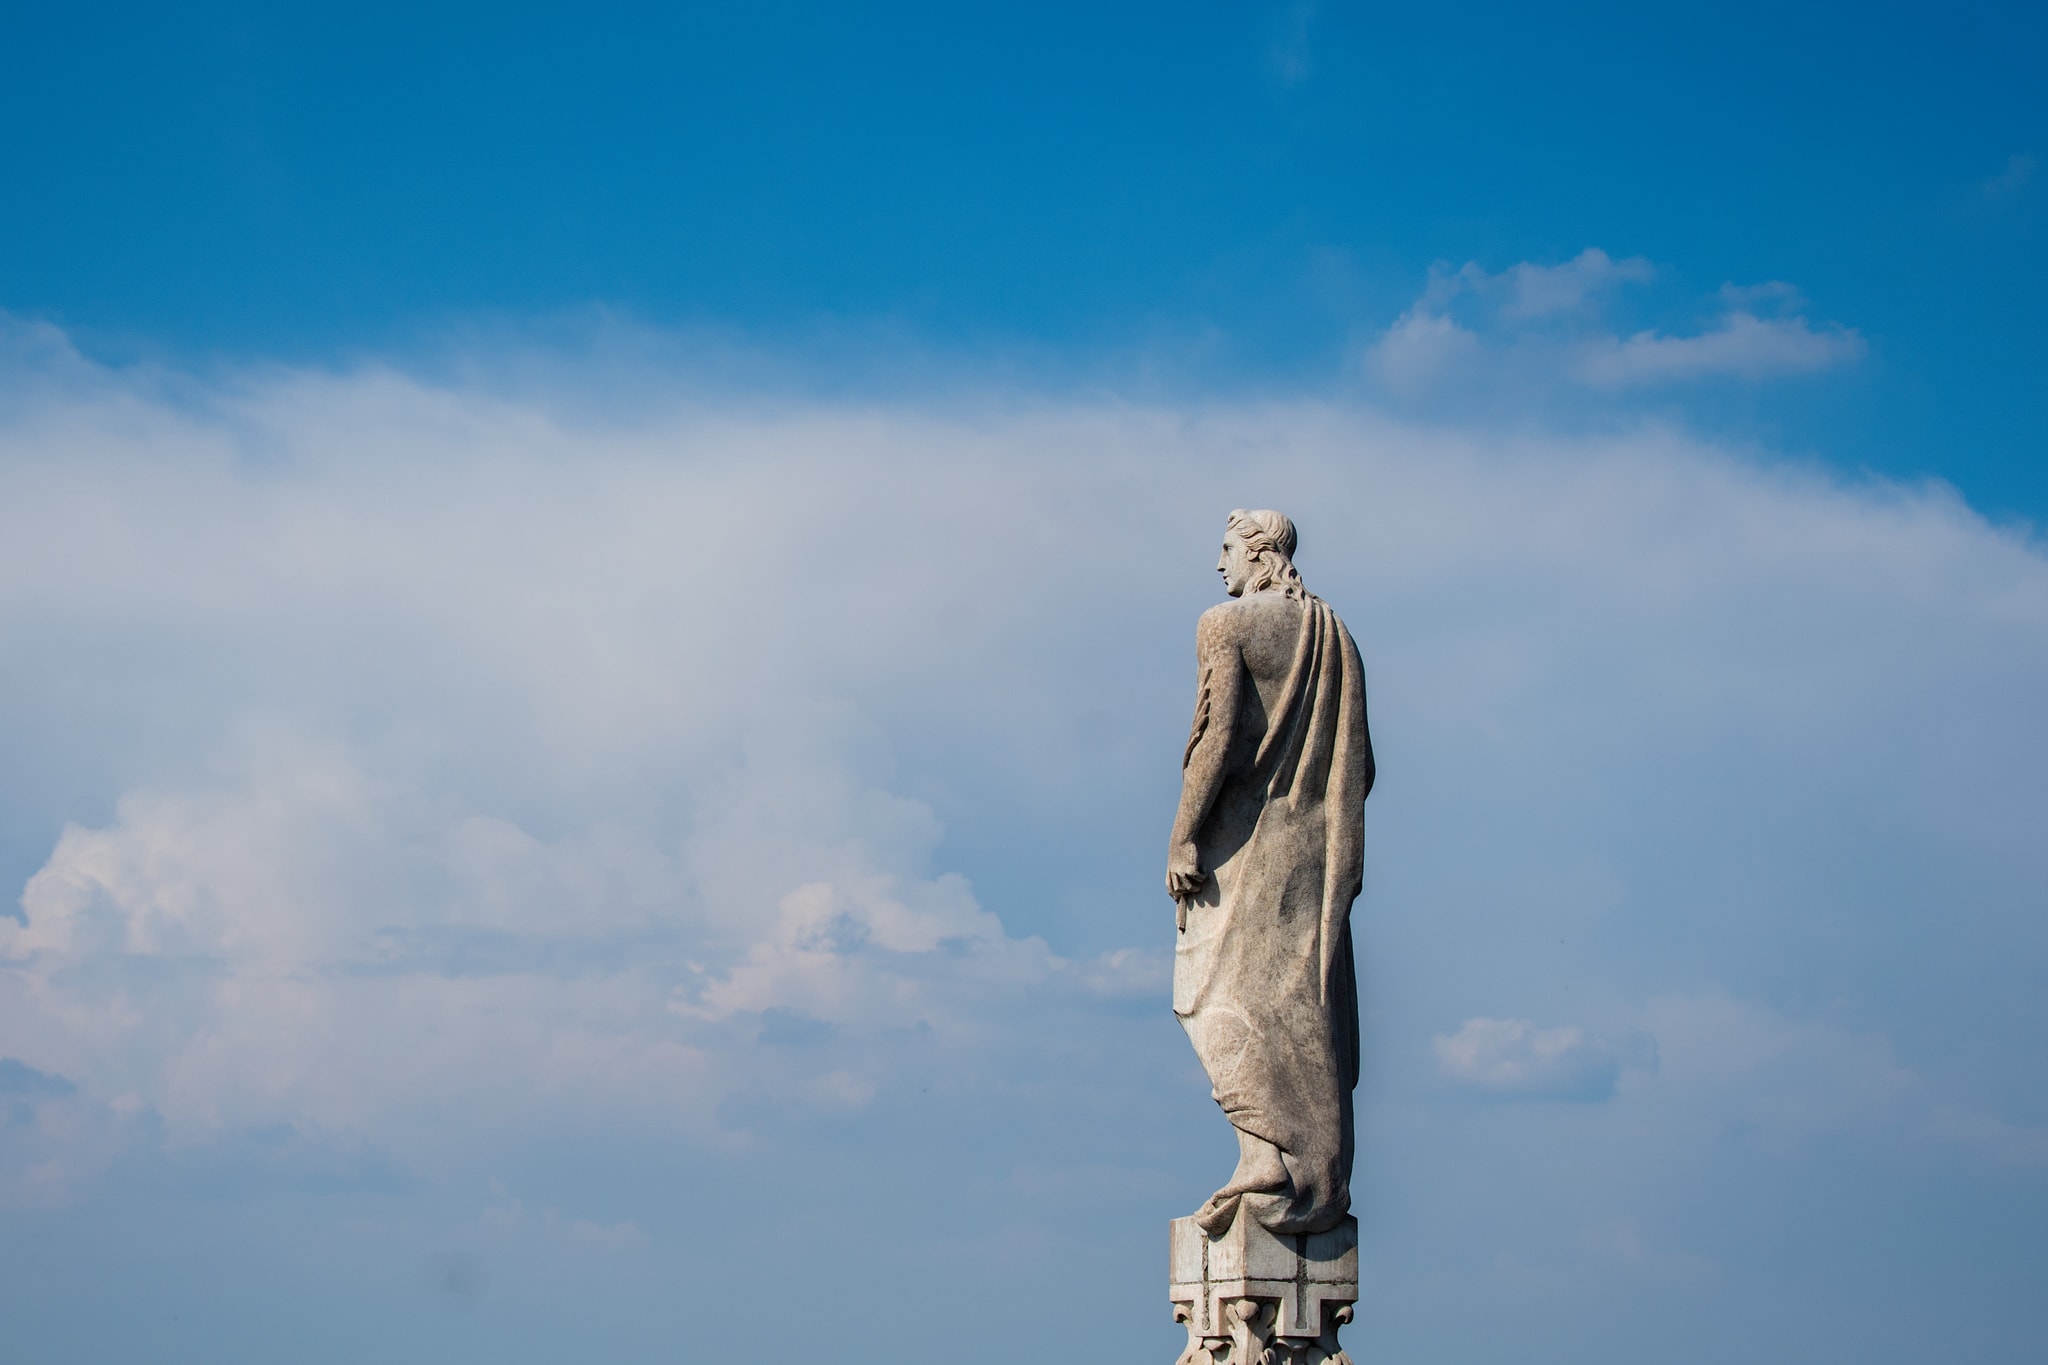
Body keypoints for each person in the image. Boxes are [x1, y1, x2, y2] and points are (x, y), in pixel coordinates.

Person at [1166, 508, 1375, 1237]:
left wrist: (1184, 835)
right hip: (1312, 850)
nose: (1219, 565)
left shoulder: (1224, 626)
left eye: (1226, 549)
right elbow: (1362, 764)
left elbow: (1217, 735)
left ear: (1259, 553)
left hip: (1244, 843)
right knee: (1295, 994)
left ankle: (1267, 1153)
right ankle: (1292, 1157)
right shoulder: (1336, 637)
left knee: (1214, 990)